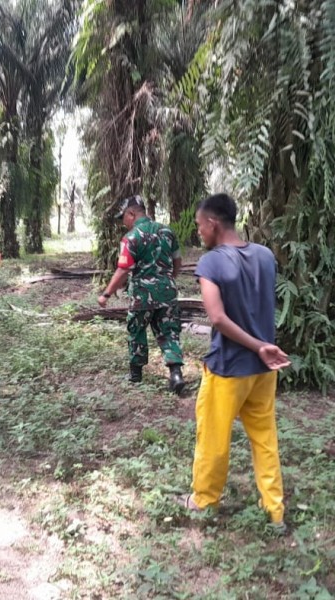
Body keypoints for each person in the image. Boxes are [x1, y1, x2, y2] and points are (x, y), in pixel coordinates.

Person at [182, 193, 291, 533]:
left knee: (213, 437)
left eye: (200, 226)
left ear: (213, 224)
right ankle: (274, 511)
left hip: (229, 367)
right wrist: (263, 348)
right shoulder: (265, 255)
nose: (199, 232)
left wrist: (257, 346)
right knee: (264, 439)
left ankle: (205, 500)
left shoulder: (212, 262)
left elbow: (216, 318)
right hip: (263, 370)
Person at [97, 195, 185, 394]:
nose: (123, 223)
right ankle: (176, 375)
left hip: (142, 296)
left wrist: (106, 294)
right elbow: (177, 261)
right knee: (169, 331)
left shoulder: (131, 238)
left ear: (132, 213)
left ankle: (135, 376)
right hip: (167, 293)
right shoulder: (167, 231)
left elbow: (123, 269)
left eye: (124, 218)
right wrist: (168, 279)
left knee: (137, 331)